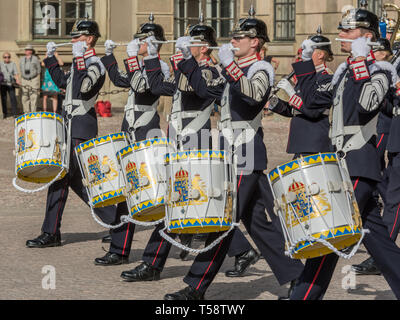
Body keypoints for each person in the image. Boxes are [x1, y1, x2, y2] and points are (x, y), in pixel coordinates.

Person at [162, 7, 304, 300]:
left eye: (241, 37)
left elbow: (253, 94)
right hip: (230, 153)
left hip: (246, 151)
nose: (234, 40)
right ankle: (296, 278)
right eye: (234, 36)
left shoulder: (261, 68)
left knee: (223, 220)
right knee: (257, 224)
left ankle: (195, 286)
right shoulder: (232, 69)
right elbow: (202, 89)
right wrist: (187, 61)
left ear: (256, 42)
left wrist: (230, 66)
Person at [289, 4, 400, 300]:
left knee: (331, 234)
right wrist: (304, 63)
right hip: (340, 163)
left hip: (359, 162)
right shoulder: (343, 70)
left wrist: (363, 61)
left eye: (347, 30)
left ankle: (303, 296)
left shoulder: (381, 71)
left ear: (364, 36)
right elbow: (312, 102)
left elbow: (367, 104)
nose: (340, 34)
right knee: (379, 242)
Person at [25, 19, 118, 248]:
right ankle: (117, 222)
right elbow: (62, 83)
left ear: (89, 39)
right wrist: (50, 60)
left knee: (60, 178)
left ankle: (51, 232)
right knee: (79, 181)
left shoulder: (95, 63)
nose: (73, 40)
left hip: (80, 128)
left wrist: (78, 60)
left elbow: (82, 89)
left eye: (77, 37)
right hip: (68, 127)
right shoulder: (80, 64)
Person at [93, 14, 168, 266]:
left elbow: (143, 85)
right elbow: (120, 80)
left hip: (146, 132)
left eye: (142, 40)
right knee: (127, 190)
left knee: (151, 191)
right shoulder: (142, 64)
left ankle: (162, 245)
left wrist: (134, 59)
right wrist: (108, 56)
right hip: (130, 129)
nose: (137, 43)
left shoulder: (161, 67)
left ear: (154, 44)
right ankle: (119, 249)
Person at [352, 38, 400, 275]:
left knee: (393, 196)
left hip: (391, 130)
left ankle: (383, 257)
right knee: (390, 196)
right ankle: (383, 257)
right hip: (395, 137)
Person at [268, 26, 334, 158]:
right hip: (301, 142)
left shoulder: (327, 77)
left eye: (309, 50)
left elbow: (313, 111)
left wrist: (292, 93)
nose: (303, 54)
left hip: (315, 141)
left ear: (320, 54)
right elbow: (295, 111)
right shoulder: (305, 77)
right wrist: (272, 100)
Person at [20, 44, 41, 114]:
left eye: (29, 49)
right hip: (24, 79)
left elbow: (39, 70)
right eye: (26, 50)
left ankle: (33, 113)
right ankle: (26, 112)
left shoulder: (35, 59)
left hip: (33, 79)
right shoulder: (22, 59)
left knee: (33, 96)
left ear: (31, 51)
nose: (27, 51)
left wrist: (37, 81)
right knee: (24, 97)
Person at [0, 52, 20, 118]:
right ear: (3, 58)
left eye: (8, 57)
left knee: (13, 98)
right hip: (3, 83)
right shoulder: (0, 64)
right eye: (5, 57)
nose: (7, 58)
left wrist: (17, 80)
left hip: (11, 83)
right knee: (4, 98)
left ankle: (15, 113)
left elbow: (16, 73)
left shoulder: (13, 64)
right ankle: (5, 113)